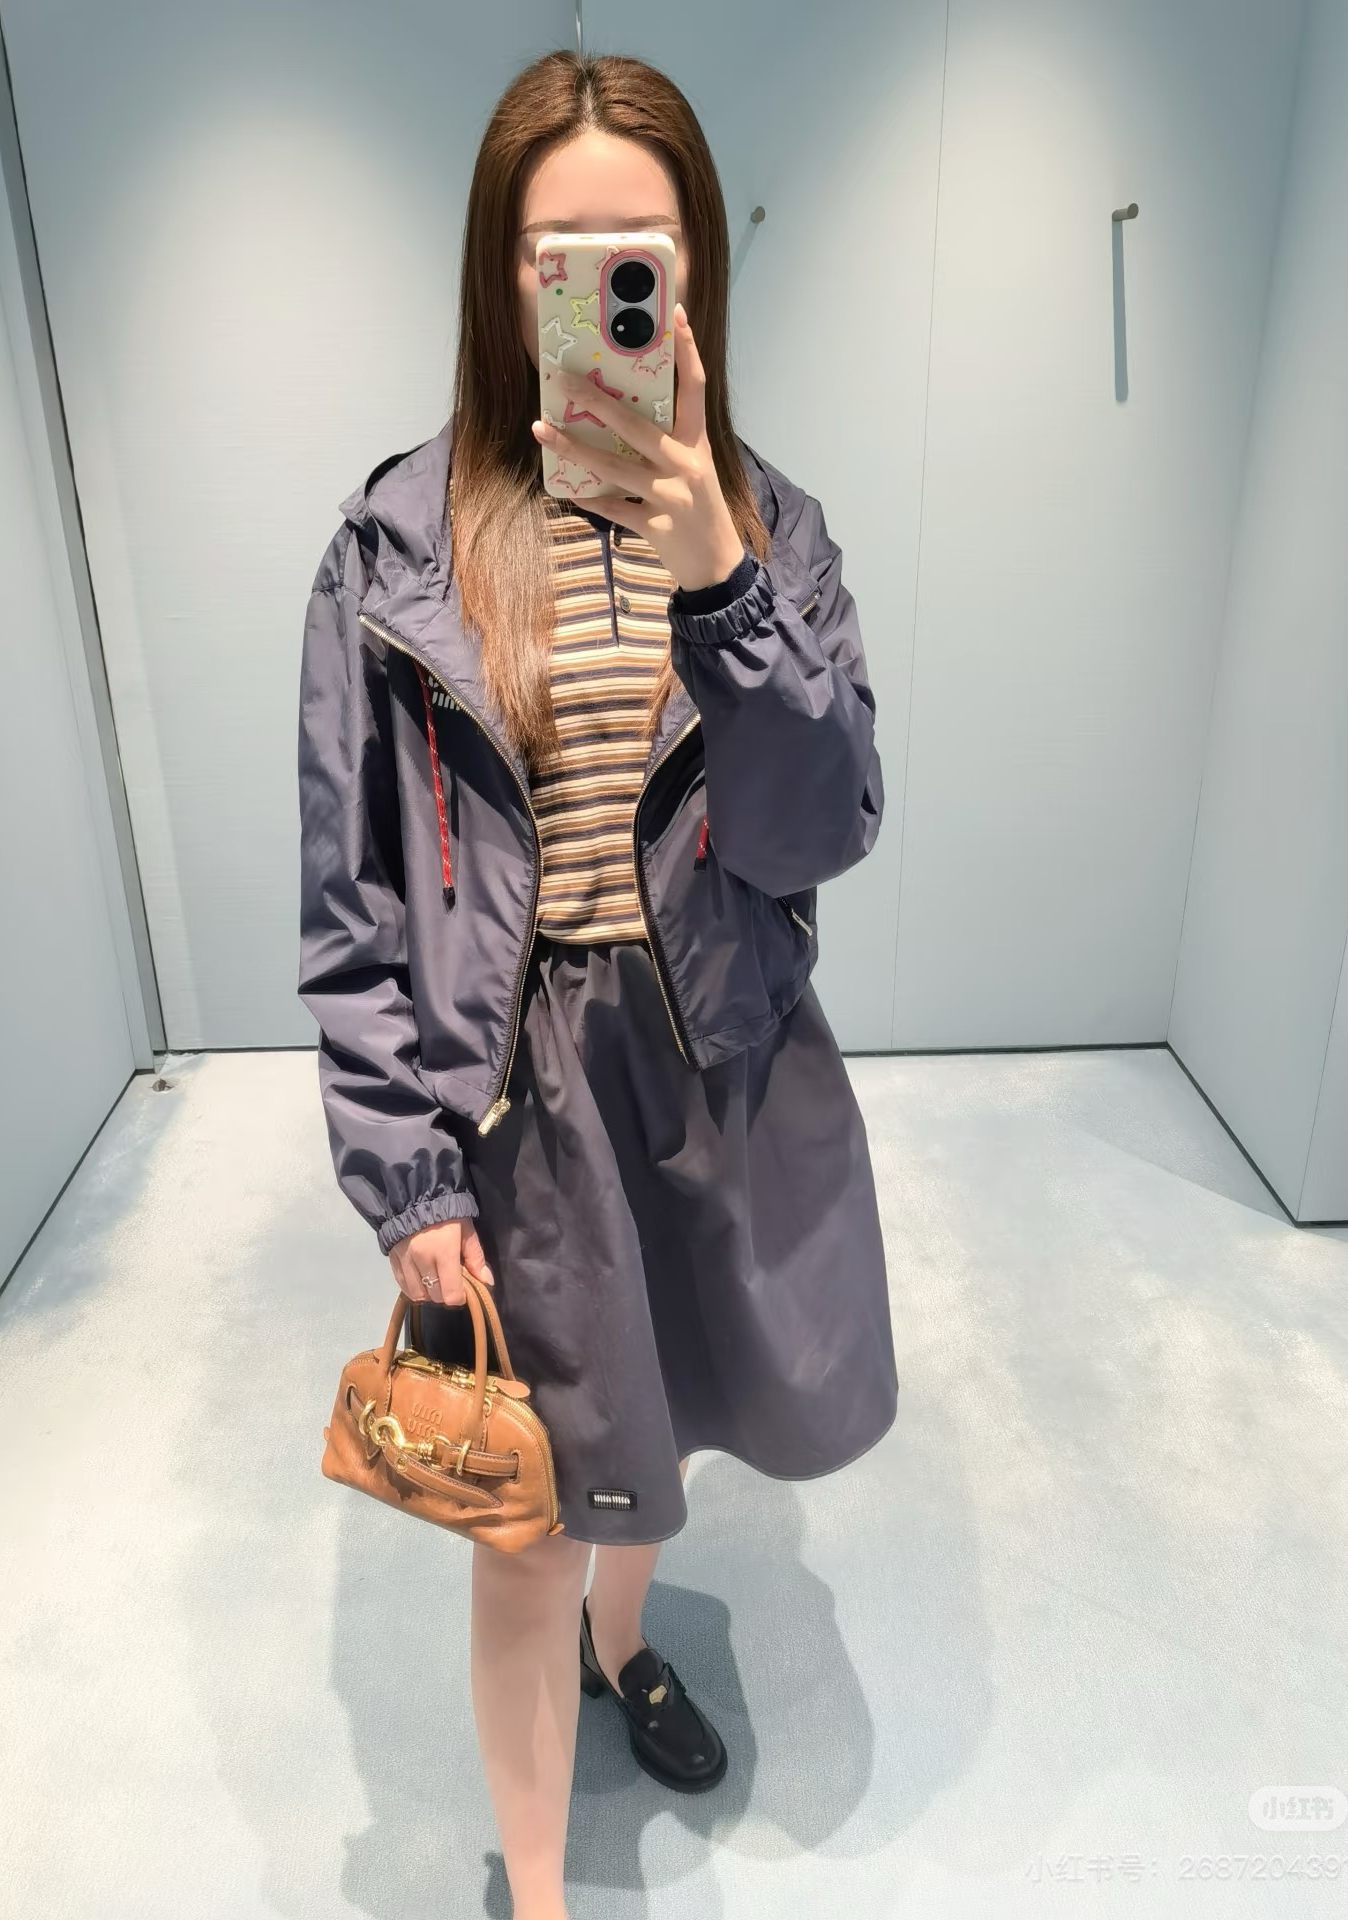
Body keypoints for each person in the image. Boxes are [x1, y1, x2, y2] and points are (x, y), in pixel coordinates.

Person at [296, 46, 899, 1920]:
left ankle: (624, 1650)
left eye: (642, 249)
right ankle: (544, 1892)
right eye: (557, 254)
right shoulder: (397, 546)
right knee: (527, 1524)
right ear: (503, 272)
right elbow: (349, 897)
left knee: (678, 1419)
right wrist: (406, 1178)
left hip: (713, 1061)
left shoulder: (773, 529)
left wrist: (721, 575)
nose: (603, 290)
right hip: (516, 1099)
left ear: (695, 265)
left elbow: (820, 827)